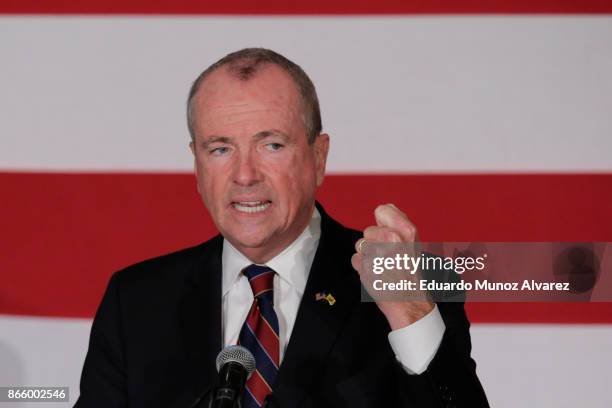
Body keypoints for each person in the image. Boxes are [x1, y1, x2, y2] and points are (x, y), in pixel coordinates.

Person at [75, 48, 489, 408]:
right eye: (220, 148)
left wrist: (411, 315)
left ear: (319, 157)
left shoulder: (415, 284)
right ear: (197, 164)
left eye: (271, 145)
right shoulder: (137, 302)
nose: (245, 174)